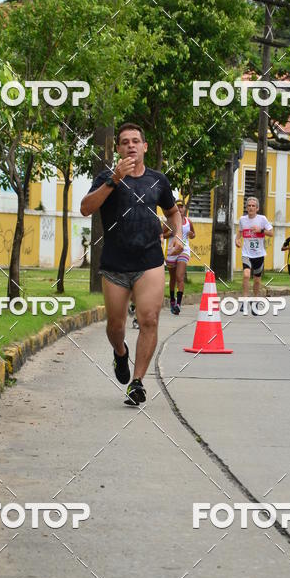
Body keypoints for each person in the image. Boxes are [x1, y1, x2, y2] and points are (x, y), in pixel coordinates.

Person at [80, 123, 182, 406]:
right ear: (119, 149)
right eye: (125, 142)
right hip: (115, 263)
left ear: (145, 147)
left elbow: (173, 213)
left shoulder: (158, 180)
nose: (131, 146)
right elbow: (86, 208)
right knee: (115, 326)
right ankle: (120, 353)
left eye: (136, 141)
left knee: (149, 319)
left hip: (149, 260)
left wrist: (178, 235)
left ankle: (137, 383)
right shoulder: (106, 177)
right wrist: (113, 179)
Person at [235, 196, 273, 313]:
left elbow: (271, 233)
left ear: (257, 208)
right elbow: (240, 232)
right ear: (246, 208)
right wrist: (237, 239)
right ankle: (245, 300)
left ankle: (255, 301)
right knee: (246, 275)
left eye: (253, 206)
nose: (251, 207)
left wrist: (261, 230)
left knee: (257, 280)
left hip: (259, 254)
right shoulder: (242, 219)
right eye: (249, 206)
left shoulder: (262, 219)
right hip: (246, 253)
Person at [163, 200, 195, 314]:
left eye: (182, 207)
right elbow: (161, 235)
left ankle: (178, 304)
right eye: (178, 207)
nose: (180, 209)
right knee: (172, 278)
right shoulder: (169, 222)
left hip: (184, 250)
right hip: (172, 251)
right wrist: (170, 234)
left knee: (179, 277)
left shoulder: (188, 221)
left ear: (185, 208)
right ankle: (172, 299)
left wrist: (192, 235)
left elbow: (193, 234)